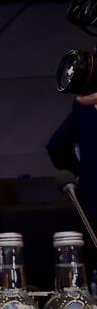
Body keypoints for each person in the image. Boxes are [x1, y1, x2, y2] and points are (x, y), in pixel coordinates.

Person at [46, 91, 97, 225]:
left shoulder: (84, 105)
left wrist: (83, 171)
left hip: (91, 200)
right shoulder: (83, 104)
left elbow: (56, 146)